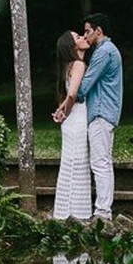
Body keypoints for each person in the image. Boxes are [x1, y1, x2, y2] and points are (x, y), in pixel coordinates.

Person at [54, 12, 123, 223]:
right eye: (81, 34)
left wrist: (64, 107)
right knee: (97, 162)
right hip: (98, 114)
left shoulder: (104, 52)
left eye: (87, 31)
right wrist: (65, 107)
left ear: (98, 31)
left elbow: (82, 88)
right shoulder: (101, 53)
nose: (85, 36)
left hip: (101, 113)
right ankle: (95, 210)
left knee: (100, 163)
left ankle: (102, 213)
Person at [50, 30, 92, 221]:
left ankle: (65, 210)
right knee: (78, 161)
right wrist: (65, 112)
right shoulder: (79, 64)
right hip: (77, 118)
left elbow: (68, 95)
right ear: (72, 46)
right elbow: (73, 94)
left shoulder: (69, 65)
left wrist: (60, 110)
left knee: (70, 162)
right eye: (78, 37)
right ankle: (76, 212)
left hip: (71, 119)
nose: (83, 38)